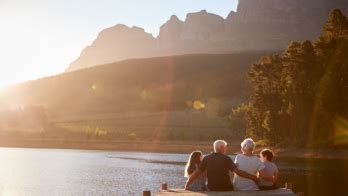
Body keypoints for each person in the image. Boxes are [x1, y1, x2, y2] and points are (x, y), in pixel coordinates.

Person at [185, 140, 258, 191]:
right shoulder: (226, 158)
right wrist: (253, 177)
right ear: (221, 147)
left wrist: (188, 182)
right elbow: (237, 171)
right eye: (225, 147)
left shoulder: (207, 158)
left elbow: (197, 172)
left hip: (212, 188)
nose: (226, 149)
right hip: (226, 187)